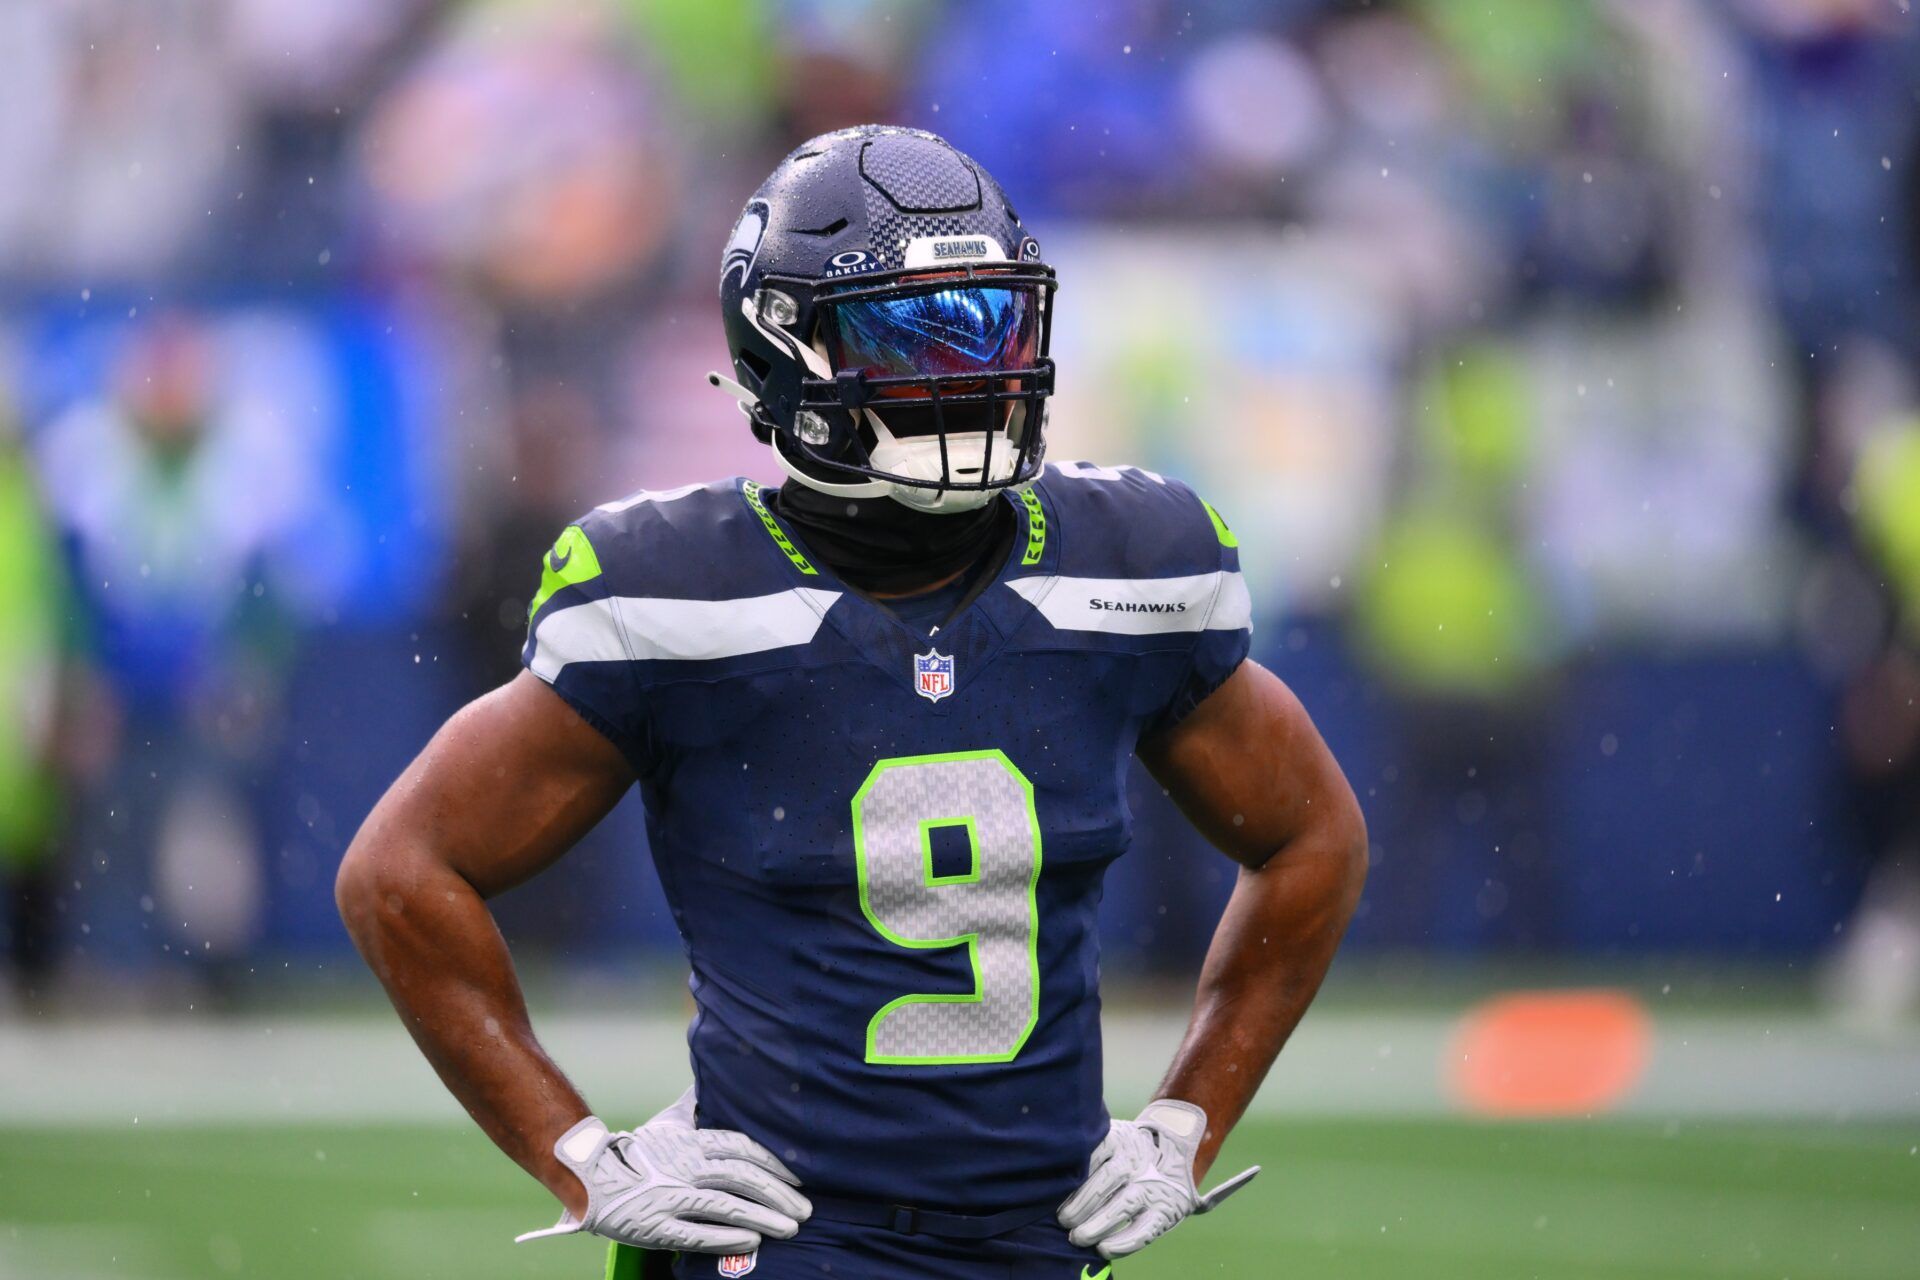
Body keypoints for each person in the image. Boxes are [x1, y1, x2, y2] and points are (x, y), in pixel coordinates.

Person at [338, 125, 1367, 1279]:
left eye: (988, 323)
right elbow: (398, 871)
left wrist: (1187, 1119)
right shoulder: (675, 587)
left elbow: (1311, 834)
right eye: (905, 334)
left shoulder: (1130, 565)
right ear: (785, 352)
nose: (966, 372)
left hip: (1041, 1237)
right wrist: (577, 1150)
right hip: (783, 1237)